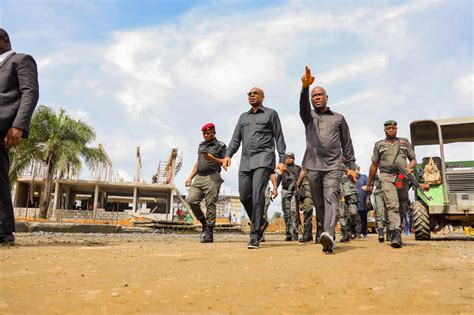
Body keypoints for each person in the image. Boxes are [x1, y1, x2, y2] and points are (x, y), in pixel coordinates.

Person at [299, 66, 357, 253]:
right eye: (313, 96)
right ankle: (325, 232)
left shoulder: (339, 118)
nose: (316, 97)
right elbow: (302, 106)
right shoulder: (308, 117)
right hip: (313, 166)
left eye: (319, 95)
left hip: (333, 165)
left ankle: (329, 235)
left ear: (326, 97)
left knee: (331, 197)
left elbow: (346, 143)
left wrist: (352, 165)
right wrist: (305, 88)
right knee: (319, 203)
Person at [223, 87, 287, 249]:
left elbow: (279, 136)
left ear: (262, 97)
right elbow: (235, 138)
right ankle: (261, 221)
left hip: (264, 158)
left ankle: (254, 234)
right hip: (246, 160)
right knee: (244, 196)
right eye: (249, 94)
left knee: (258, 195)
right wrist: (228, 155)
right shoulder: (243, 117)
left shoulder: (271, 114)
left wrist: (282, 158)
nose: (251, 95)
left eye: (255, 93)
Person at [0, 29, 39, 245]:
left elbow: (30, 92)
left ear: (5, 40)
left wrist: (18, 125)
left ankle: (4, 233)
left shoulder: (21, 60)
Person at [366, 120, 416, 248]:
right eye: (388, 128)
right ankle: (396, 233)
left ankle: (395, 228)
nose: (391, 130)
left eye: (393, 128)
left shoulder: (404, 143)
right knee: (392, 203)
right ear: (385, 130)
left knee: (402, 203)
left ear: (396, 129)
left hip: (402, 176)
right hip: (386, 176)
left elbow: (413, 159)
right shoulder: (379, 145)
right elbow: (374, 165)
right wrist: (369, 183)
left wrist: (410, 167)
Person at [185, 123, 227, 243]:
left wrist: (212, 158)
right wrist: (190, 177)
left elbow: (225, 162)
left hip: (212, 176)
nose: (206, 135)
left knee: (210, 204)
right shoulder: (201, 145)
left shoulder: (220, 146)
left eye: (208, 133)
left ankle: (209, 232)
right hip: (199, 177)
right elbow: (198, 163)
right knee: (191, 200)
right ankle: (204, 223)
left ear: (214, 132)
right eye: (204, 133)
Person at [278, 152, 302, 241]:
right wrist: (275, 189)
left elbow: (302, 179)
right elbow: (278, 178)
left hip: (294, 192)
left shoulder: (298, 168)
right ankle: (288, 234)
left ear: (293, 159)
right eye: (287, 158)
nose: (288, 159)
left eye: (290, 158)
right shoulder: (282, 168)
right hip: (285, 191)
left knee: (294, 212)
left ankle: (295, 233)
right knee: (286, 213)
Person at [296, 168, 322, 243]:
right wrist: (298, 183)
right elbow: (303, 170)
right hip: (307, 183)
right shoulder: (309, 157)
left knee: (320, 208)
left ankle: (319, 235)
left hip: (320, 182)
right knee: (307, 207)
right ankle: (307, 234)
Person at [339, 166, 359, 242]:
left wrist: (348, 171)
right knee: (341, 214)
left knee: (353, 213)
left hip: (351, 193)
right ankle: (345, 233)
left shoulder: (352, 165)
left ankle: (353, 228)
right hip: (340, 193)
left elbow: (357, 176)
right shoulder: (333, 164)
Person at [261, 173, 278, 242]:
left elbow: (272, 173)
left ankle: (260, 234)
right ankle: (256, 233)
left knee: (263, 211)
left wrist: (275, 188)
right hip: (253, 184)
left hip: (264, 184)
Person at [356, 166, 370, 238]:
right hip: (355, 201)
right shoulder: (352, 178)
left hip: (364, 201)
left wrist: (368, 199)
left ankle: (364, 232)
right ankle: (357, 233)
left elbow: (369, 187)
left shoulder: (364, 177)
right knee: (356, 217)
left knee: (364, 217)